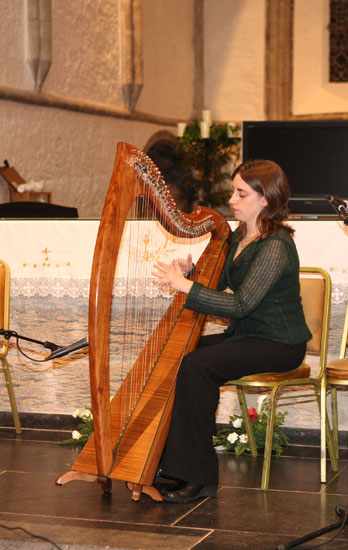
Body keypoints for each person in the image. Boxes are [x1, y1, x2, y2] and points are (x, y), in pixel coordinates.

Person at [152, 159, 311, 503]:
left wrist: (183, 287)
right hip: (247, 335)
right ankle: (171, 464)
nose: (232, 200)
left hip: (279, 342)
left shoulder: (276, 246)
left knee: (198, 366)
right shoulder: (241, 235)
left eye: (241, 193)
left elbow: (240, 305)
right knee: (178, 353)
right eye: (233, 192)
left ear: (265, 199)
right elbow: (220, 283)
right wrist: (192, 273)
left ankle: (199, 477)